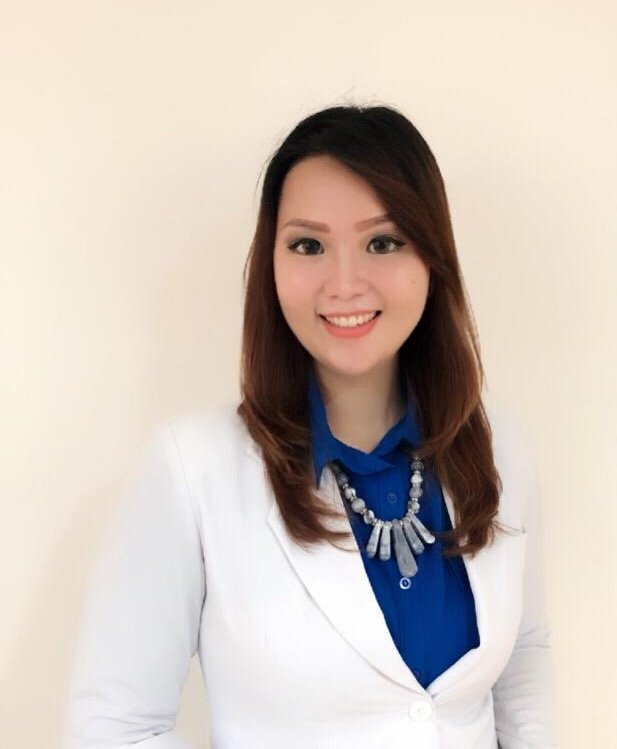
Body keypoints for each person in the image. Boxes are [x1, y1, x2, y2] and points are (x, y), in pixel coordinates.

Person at [64, 104, 556, 748]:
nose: (344, 283)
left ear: (432, 259)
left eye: (383, 242)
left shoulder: (499, 450)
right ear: (270, 264)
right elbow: (115, 729)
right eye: (308, 246)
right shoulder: (192, 469)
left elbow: (523, 659)